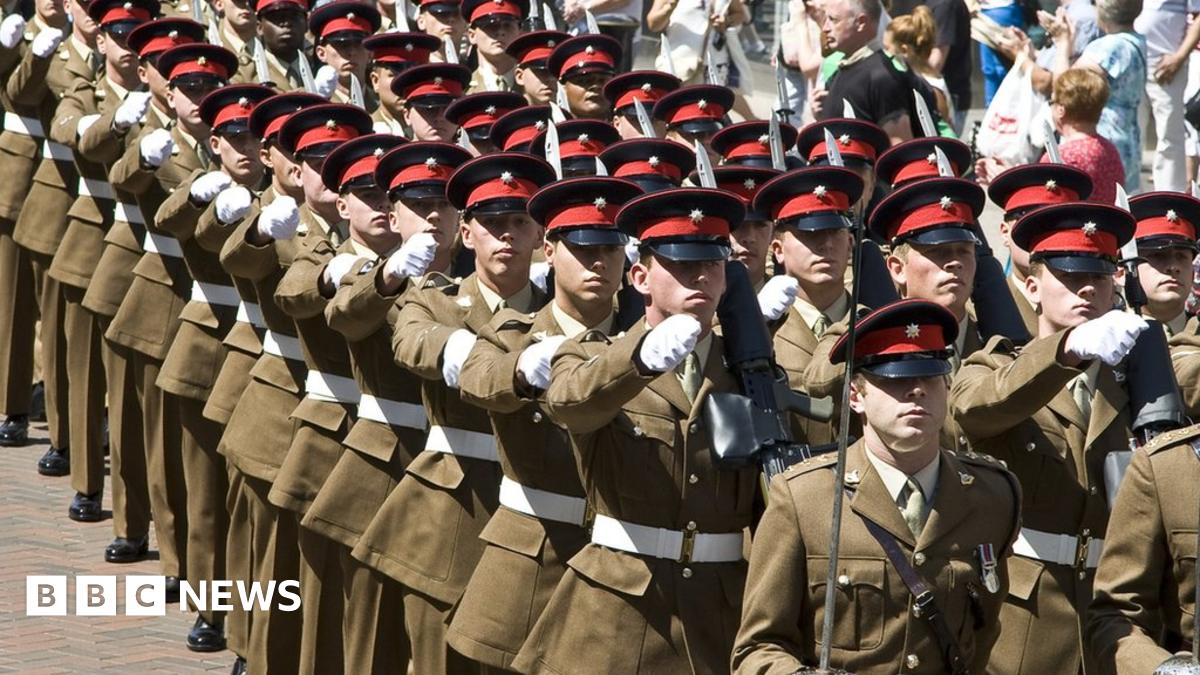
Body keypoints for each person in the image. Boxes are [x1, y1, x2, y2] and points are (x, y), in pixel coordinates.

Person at [514, 186, 756, 675]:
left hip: (717, 616)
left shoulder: (749, 373)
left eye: (711, 263)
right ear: (641, 277)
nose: (700, 276)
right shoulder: (593, 355)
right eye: (682, 264)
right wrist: (639, 360)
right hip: (619, 613)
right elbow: (570, 404)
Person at [732, 299, 1021, 674]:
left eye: (930, 377)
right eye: (895, 380)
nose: (916, 391)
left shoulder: (992, 496)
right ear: (855, 395)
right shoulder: (805, 498)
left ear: (947, 386)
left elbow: (982, 635)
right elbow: (758, 648)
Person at [355, 152, 553, 674]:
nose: (506, 235)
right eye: (491, 224)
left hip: (541, 521)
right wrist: (459, 350)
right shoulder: (438, 300)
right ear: (467, 234)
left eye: (518, 222)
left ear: (541, 236)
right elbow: (411, 343)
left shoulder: (563, 314)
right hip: (457, 507)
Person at [448, 175, 640, 670]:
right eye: (581, 249)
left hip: (625, 571)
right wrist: (521, 371)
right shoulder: (515, 333)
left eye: (609, 249)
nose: (598, 262)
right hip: (536, 558)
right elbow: (479, 375)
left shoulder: (646, 345)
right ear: (549, 250)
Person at [951, 201, 1147, 675]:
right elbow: (975, 409)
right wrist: (1066, 351)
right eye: (1068, 275)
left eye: (1099, 277)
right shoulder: (995, 364)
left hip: (1115, 608)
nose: (1086, 288)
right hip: (1026, 610)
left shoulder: (1136, 381)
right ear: (1033, 287)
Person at [322, 140, 471, 672]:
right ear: (392, 212)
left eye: (446, 202)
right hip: (388, 457)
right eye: (416, 203)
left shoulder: (486, 284)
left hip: (463, 481)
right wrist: (388, 276)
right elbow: (345, 314)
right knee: (373, 633)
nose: (433, 213)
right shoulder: (377, 276)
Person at [153, 77, 273, 654]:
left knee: (245, 501)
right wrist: (206, 192)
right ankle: (209, 605)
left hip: (267, 355)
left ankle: (251, 615)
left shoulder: (284, 202)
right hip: (209, 344)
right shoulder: (208, 187)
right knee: (204, 488)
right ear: (214, 140)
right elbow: (176, 221)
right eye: (232, 136)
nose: (244, 148)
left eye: (254, 136)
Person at [755, 165, 862, 445]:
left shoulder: (871, 323)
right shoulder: (762, 327)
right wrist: (753, 322)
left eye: (835, 232)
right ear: (777, 250)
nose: (826, 244)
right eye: (810, 235)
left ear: (850, 243)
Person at [985, 162, 1097, 337]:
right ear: (1005, 232)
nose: (1044, 238)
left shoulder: (1097, 306)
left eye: (1059, 228)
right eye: (1030, 225)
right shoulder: (981, 309)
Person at [810, 0, 918, 143]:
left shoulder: (882, 77)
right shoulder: (845, 67)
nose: (825, 28)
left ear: (861, 23)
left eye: (833, 20)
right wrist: (821, 114)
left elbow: (898, 146)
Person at [1134, 0, 1200, 192]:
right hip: (1133, 62)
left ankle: (1169, 205)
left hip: (1167, 67)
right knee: (1132, 133)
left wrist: (1179, 57)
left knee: (1170, 136)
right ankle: (1127, 203)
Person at [883, 6, 955, 129]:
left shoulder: (931, 88)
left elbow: (944, 131)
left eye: (887, 48)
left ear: (904, 50)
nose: (883, 53)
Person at [546, 33, 620, 121]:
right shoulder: (550, 134)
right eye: (584, 81)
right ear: (563, 87)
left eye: (602, 80)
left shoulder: (628, 133)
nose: (595, 87)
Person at [505, 29, 568, 106]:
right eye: (541, 72)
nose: (550, 78)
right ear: (520, 76)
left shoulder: (565, 116)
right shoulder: (511, 117)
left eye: (554, 72)